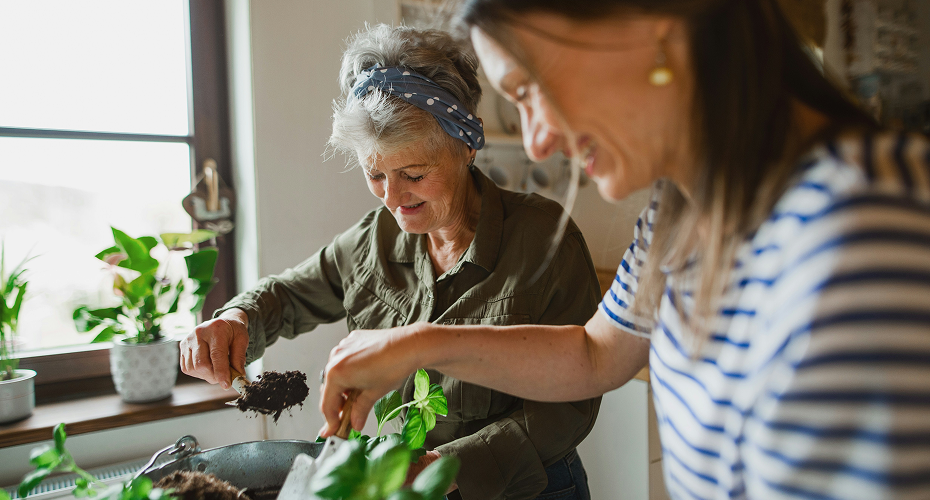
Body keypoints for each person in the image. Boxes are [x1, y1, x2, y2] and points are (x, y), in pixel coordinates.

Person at [319, 1, 930, 499]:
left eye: (529, 88)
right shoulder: (679, 212)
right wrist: (417, 346)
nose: (537, 142)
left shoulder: (862, 234)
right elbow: (594, 353)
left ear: (651, 25)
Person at [179, 24, 602, 500]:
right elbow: (288, 295)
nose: (394, 198)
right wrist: (235, 319)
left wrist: (446, 466)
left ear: (465, 147)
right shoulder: (370, 242)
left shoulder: (544, 240)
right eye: (375, 174)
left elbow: (570, 406)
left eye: (414, 174)